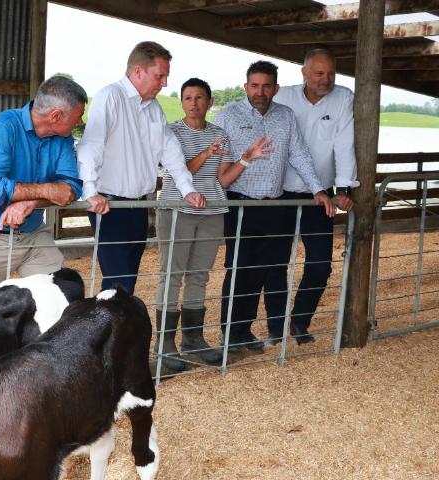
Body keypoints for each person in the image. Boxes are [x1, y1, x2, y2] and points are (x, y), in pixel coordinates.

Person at [214, 60, 335, 352]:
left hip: (275, 205)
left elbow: (300, 155)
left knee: (271, 270)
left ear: (275, 88)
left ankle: (257, 332)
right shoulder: (227, 116)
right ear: (246, 87)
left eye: (266, 86)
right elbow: (219, 167)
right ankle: (232, 333)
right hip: (240, 205)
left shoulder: (286, 116)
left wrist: (318, 189)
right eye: (254, 85)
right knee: (239, 269)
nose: (260, 91)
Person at [155, 78, 272, 373]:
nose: (194, 103)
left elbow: (220, 180)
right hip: (177, 210)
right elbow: (179, 171)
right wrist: (207, 153)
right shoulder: (171, 132)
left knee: (199, 276)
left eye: (200, 98)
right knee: (172, 275)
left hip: (212, 210)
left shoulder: (219, 133)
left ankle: (193, 338)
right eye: (188, 98)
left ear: (209, 102)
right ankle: (165, 343)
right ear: (181, 102)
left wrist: (245, 160)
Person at [77, 41, 204, 295]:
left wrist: (187, 189)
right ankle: (111, 331)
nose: (164, 83)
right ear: (138, 71)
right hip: (109, 206)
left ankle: (117, 331)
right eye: (160, 75)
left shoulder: (154, 109)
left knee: (128, 281)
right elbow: (91, 145)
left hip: (138, 206)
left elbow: (170, 152)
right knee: (117, 283)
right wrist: (90, 191)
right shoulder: (110, 96)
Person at [264, 48, 358, 345]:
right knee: (275, 263)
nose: (326, 79)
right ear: (304, 73)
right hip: (281, 193)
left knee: (320, 265)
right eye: (319, 73)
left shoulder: (343, 98)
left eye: (331, 73)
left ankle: (299, 322)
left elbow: (345, 144)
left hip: (322, 198)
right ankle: (276, 328)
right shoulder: (283, 97)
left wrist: (343, 189)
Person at [0, 75, 86, 283]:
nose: (81, 122)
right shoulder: (5, 127)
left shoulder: (63, 138)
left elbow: (70, 189)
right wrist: (48, 191)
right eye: (78, 115)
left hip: (35, 233)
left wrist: (30, 203)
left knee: (60, 292)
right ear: (56, 115)